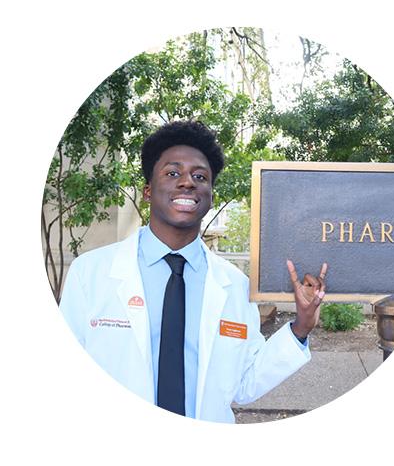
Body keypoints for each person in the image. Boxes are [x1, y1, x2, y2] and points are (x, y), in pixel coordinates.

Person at [59, 120, 328, 423]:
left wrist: (301, 327)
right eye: (173, 173)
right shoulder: (91, 273)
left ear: (210, 195)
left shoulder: (236, 286)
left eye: (200, 176)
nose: (187, 182)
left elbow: (243, 385)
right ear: (148, 191)